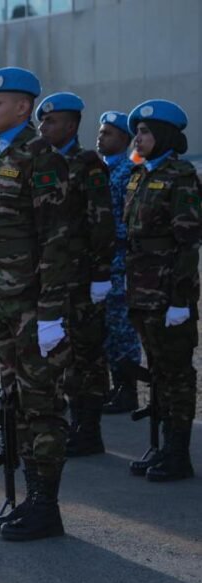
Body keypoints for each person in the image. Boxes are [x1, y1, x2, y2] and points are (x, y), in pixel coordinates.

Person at [0, 68, 72, 541]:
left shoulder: (42, 159)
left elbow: (58, 239)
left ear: (22, 108)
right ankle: (29, 497)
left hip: (35, 303)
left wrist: (53, 313)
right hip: (5, 300)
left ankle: (46, 507)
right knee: (15, 400)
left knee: (42, 403)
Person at [123, 99, 201, 482]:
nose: (139, 136)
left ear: (166, 136)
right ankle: (162, 445)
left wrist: (181, 300)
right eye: (138, 130)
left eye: (147, 131)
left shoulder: (180, 176)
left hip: (168, 291)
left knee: (176, 374)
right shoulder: (139, 175)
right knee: (156, 371)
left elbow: (188, 243)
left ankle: (178, 453)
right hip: (141, 289)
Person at [37, 92, 116, 457]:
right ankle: (74, 421)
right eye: (42, 121)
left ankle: (90, 428)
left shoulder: (88, 164)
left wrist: (101, 272)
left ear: (70, 125)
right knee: (63, 351)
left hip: (82, 274)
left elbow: (101, 221)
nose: (43, 127)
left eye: (51, 121)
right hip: (54, 274)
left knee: (87, 352)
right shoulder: (44, 163)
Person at [96, 111, 143, 414]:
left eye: (108, 133)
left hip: (120, 261)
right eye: (101, 132)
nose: (101, 137)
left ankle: (128, 392)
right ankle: (114, 387)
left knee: (123, 329)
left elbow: (131, 219)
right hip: (101, 261)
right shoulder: (99, 170)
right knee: (106, 329)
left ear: (125, 140)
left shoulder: (129, 173)